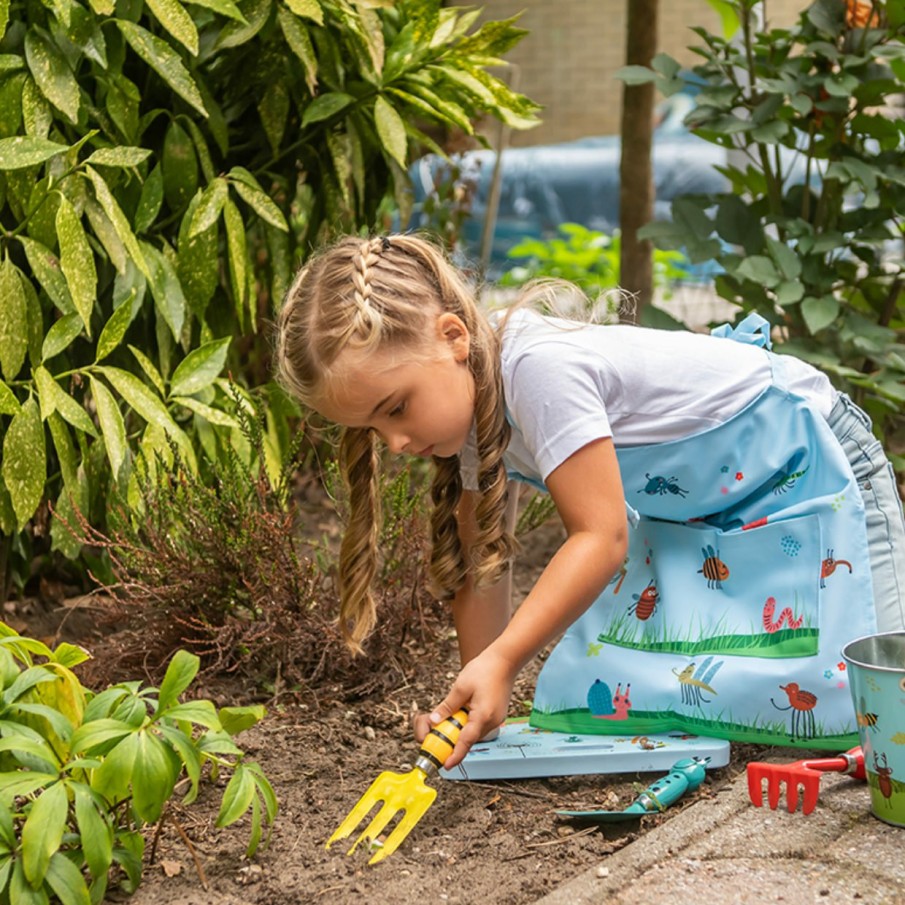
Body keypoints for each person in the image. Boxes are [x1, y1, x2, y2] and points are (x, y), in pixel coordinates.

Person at [276, 233, 905, 769]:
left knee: (883, 689)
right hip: (723, 503)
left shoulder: (538, 369)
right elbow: (481, 565)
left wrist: (505, 660)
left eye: (396, 407)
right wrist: (480, 696)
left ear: (452, 338)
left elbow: (600, 538)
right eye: (373, 430)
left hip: (815, 456)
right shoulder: (466, 426)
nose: (396, 442)